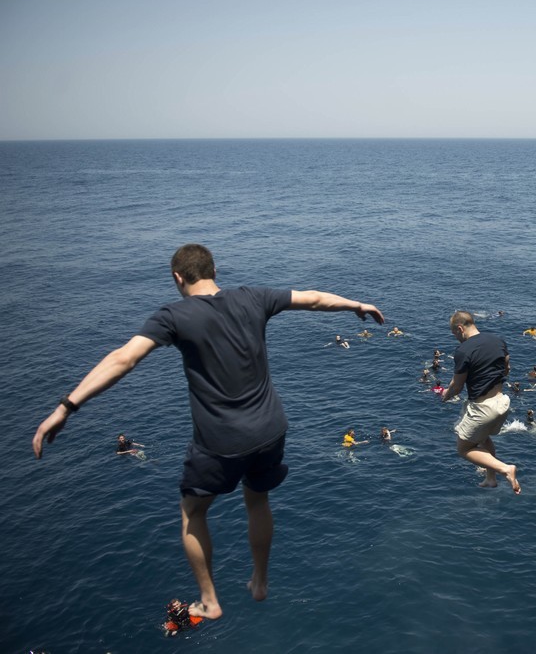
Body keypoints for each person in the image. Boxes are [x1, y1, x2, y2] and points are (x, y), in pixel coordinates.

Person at [31, 244, 384, 621]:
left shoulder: (174, 315)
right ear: (214, 270)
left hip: (222, 440)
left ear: (177, 278)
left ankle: (209, 599)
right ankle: (260, 581)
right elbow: (313, 299)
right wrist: (355, 304)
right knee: (258, 500)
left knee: (193, 512)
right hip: (271, 428)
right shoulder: (254, 297)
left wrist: (66, 407)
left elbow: (124, 358)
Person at [441, 311, 519, 494]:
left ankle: (505, 469)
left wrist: (446, 395)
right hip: (502, 403)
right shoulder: (498, 341)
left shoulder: (463, 351)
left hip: (482, 408)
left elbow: (457, 386)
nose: (456, 339)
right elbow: (506, 369)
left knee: (464, 448)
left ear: (460, 328)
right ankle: (490, 478)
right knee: (483, 439)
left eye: (455, 334)